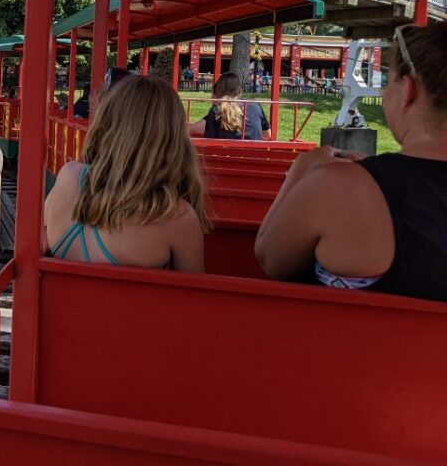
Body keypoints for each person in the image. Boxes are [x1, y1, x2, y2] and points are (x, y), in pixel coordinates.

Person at [255, 23, 447, 299]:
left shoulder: (339, 186)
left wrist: (301, 171)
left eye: (388, 82)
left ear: (408, 90)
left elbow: (269, 259)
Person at [43, 75, 209, 271]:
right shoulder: (176, 216)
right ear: (172, 137)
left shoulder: (69, 176)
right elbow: (193, 289)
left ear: (106, 122)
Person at [187, 72, 271, 140]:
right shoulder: (256, 106)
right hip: (253, 155)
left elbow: (210, 141)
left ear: (218, 90)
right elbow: (267, 135)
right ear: (239, 90)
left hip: (224, 155)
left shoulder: (216, 110)